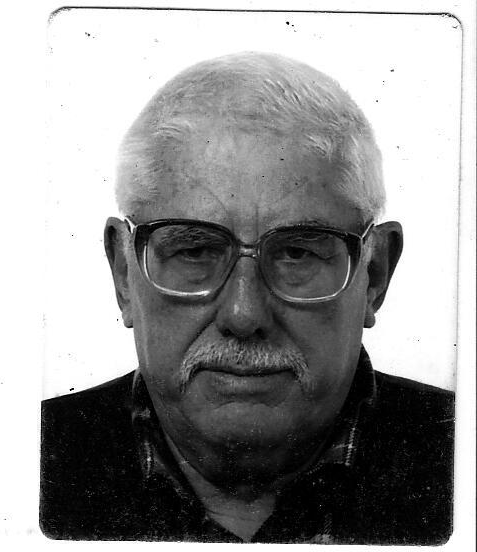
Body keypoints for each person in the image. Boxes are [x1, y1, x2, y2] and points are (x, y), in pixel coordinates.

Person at [40, 52, 454, 544]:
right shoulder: (15, 457)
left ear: (376, 274)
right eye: (194, 250)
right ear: (124, 274)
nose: (243, 314)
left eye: (297, 253)